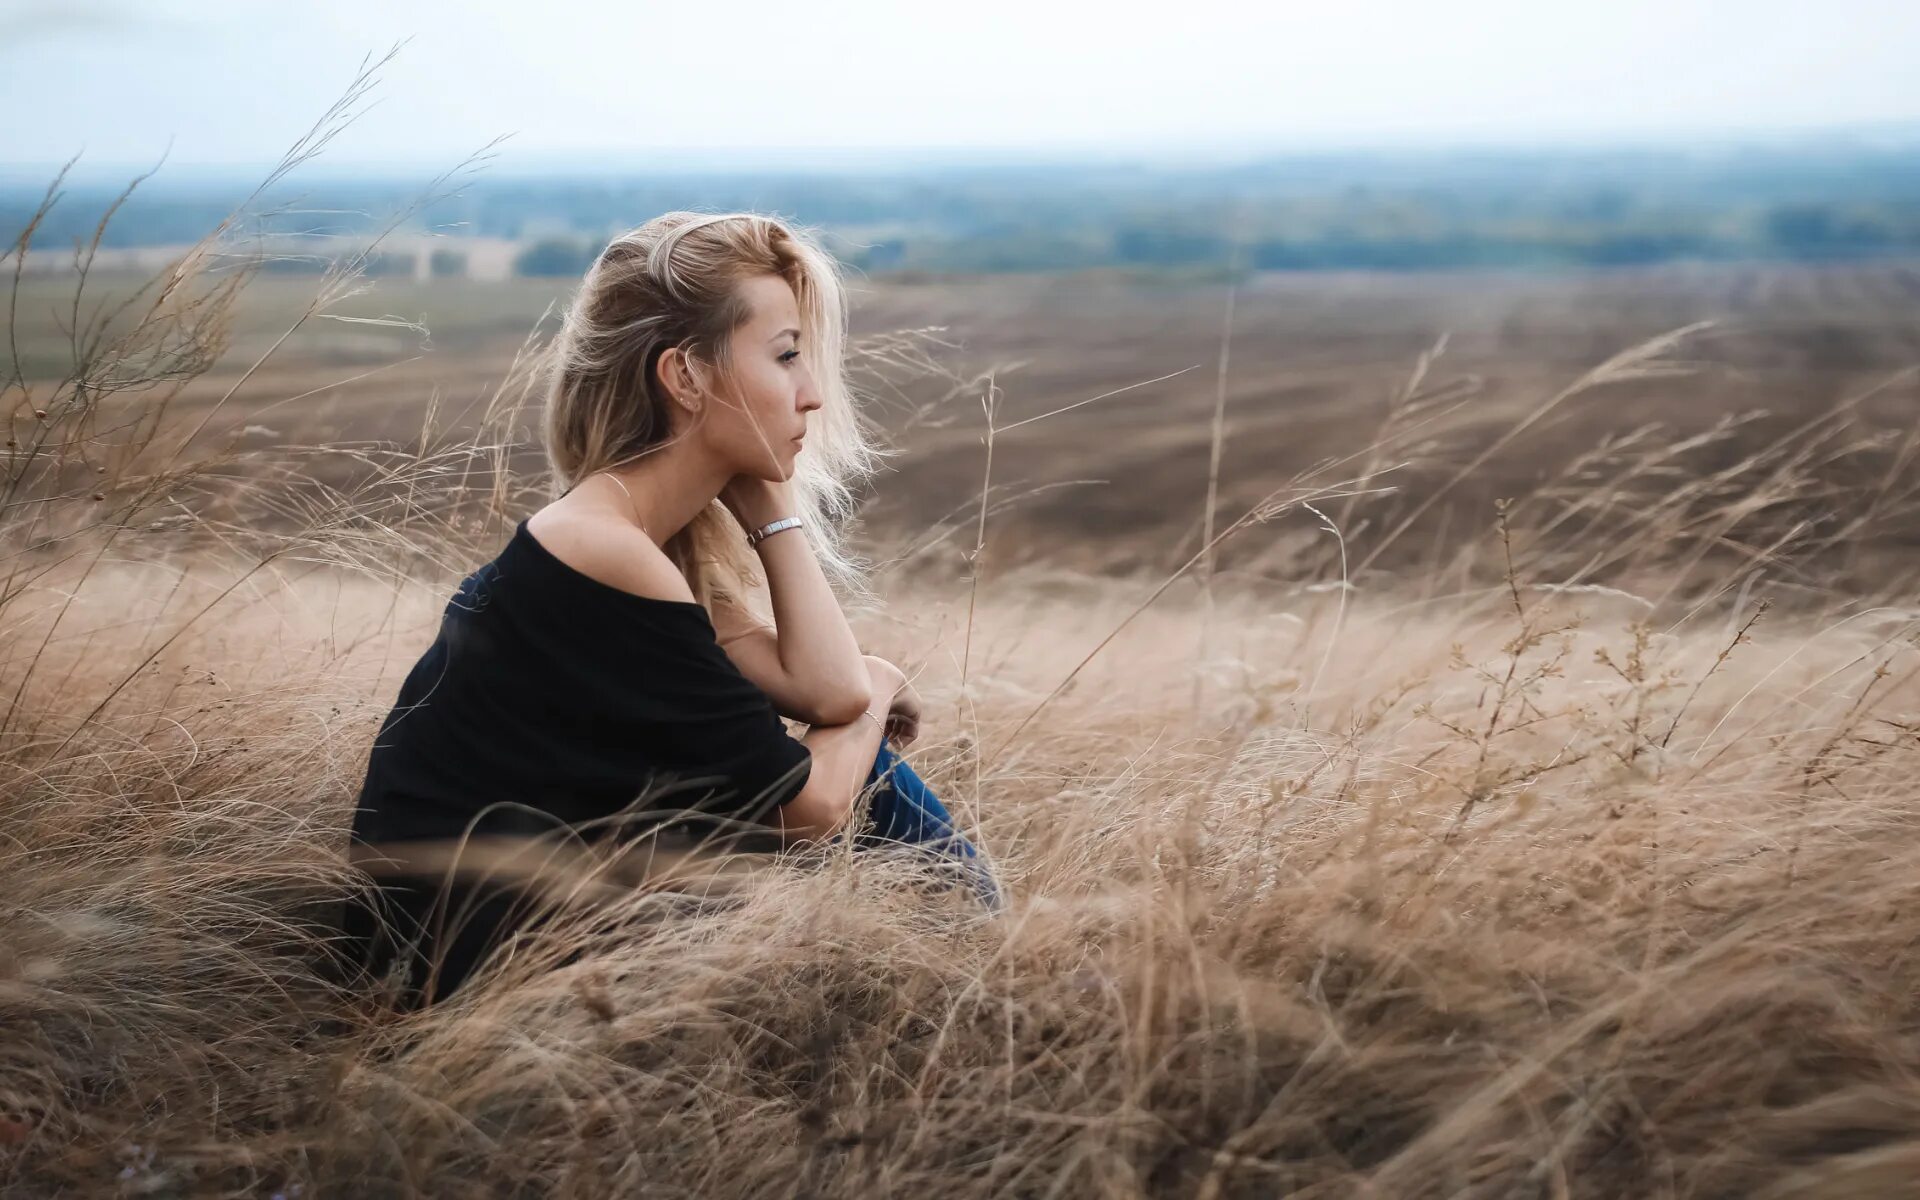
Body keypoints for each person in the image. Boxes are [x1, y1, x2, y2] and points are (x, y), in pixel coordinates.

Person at [337, 212, 1001, 1009]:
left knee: (856, 767)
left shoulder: (631, 547)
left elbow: (827, 693)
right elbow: (812, 805)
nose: (813, 393)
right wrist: (884, 677)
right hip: (476, 969)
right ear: (685, 377)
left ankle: (973, 973)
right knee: (870, 781)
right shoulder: (601, 552)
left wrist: (772, 512)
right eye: (786, 356)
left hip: (509, 935)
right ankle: (983, 974)